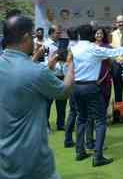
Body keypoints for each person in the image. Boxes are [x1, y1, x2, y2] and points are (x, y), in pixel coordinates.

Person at [0, 15, 74, 179]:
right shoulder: (35, 72)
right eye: (33, 36)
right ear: (26, 37)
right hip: (33, 163)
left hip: (4, 161)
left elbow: (21, 73)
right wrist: (71, 64)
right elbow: (64, 91)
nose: (35, 40)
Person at [70, 24, 123, 167]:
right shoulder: (94, 49)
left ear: (79, 35)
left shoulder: (74, 48)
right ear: (91, 35)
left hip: (77, 87)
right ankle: (97, 156)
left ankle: (80, 152)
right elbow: (115, 52)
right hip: (91, 87)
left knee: (81, 119)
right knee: (100, 121)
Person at [86, 27, 113, 150]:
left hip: (105, 81)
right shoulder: (89, 47)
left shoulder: (108, 47)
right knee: (90, 114)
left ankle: (98, 141)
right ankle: (90, 142)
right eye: (97, 33)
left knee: (102, 113)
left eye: (101, 33)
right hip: (91, 82)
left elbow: (110, 65)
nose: (99, 35)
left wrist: (102, 79)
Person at [45, 26, 68, 131]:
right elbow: (44, 62)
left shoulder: (62, 44)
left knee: (62, 101)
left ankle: (61, 124)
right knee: (48, 102)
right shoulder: (46, 45)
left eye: (60, 33)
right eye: (57, 33)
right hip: (50, 76)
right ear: (51, 33)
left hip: (62, 75)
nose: (59, 35)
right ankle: (46, 125)